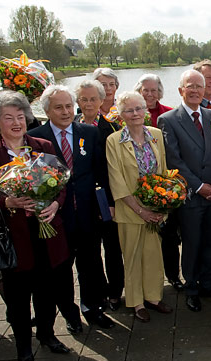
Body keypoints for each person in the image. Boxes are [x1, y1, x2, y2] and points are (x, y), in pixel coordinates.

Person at [0, 90, 72, 361]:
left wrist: (54, 205)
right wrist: (6, 201)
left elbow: (61, 182)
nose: (17, 122)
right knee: (18, 297)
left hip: (46, 230)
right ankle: (23, 347)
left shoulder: (42, 145)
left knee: (47, 291)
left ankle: (48, 335)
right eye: (8, 118)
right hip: (15, 236)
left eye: (20, 116)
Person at [29, 85, 117, 331]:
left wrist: (108, 204)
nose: (66, 111)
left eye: (69, 105)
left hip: (88, 213)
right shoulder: (35, 137)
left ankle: (93, 308)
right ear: (47, 109)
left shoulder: (89, 132)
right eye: (59, 107)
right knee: (61, 269)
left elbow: (101, 170)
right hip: (56, 217)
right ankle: (70, 313)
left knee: (90, 264)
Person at [159, 70, 211, 312]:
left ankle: (209, 282)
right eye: (190, 86)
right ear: (181, 91)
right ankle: (192, 287)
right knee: (192, 243)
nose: (196, 90)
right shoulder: (168, 120)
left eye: (200, 85)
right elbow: (173, 160)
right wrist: (198, 186)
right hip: (191, 195)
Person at [105, 91, 173, 321]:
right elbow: (117, 180)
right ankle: (136, 303)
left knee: (154, 255)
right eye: (129, 110)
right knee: (132, 257)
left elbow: (162, 171)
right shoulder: (114, 141)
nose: (135, 114)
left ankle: (154, 297)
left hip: (154, 209)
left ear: (145, 110)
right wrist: (141, 210)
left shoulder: (155, 134)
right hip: (130, 211)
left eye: (138, 109)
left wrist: (161, 205)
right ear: (120, 114)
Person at [74, 79, 127, 309]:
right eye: (83, 99)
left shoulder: (113, 128)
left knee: (113, 247)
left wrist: (115, 200)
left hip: (108, 198)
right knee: (90, 250)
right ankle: (98, 291)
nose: (88, 103)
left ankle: (115, 291)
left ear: (102, 100)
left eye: (93, 99)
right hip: (83, 201)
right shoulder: (72, 125)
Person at [130, 74, 183, 291]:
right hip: (137, 186)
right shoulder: (128, 114)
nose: (149, 94)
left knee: (169, 236)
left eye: (153, 90)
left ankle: (173, 275)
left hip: (165, 184)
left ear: (159, 92)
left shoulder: (169, 113)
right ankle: (146, 281)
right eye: (145, 90)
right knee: (143, 239)